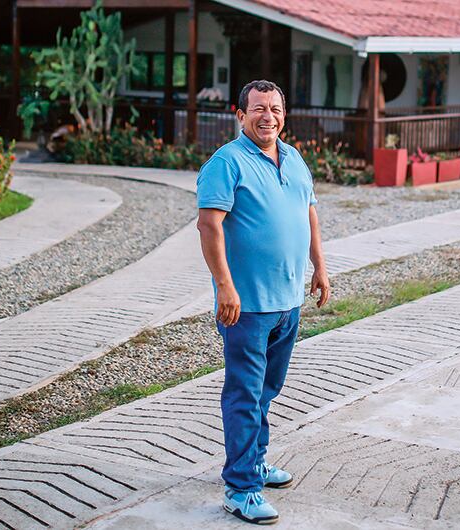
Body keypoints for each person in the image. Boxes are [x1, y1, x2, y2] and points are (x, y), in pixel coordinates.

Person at [196, 79, 330, 525]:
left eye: (274, 108)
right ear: (240, 115)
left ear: (283, 115)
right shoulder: (226, 163)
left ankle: (253, 461)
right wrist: (225, 286)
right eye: (257, 109)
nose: (267, 116)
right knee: (244, 393)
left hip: (288, 300)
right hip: (247, 305)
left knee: (266, 392)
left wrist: (320, 268)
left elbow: (308, 212)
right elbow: (209, 227)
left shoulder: (293, 158)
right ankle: (241, 487)